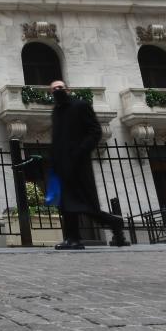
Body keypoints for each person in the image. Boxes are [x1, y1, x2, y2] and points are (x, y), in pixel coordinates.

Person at [49, 80, 128, 249]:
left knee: (84, 205)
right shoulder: (56, 112)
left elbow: (95, 131)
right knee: (66, 204)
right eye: (54, 89)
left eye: (60, 88)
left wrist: (81, 151)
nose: (57, 90)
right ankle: (73, 238)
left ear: (67, 90)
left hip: (78, 164)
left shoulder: (80, 106)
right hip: (61, 165)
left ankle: (114, 222)